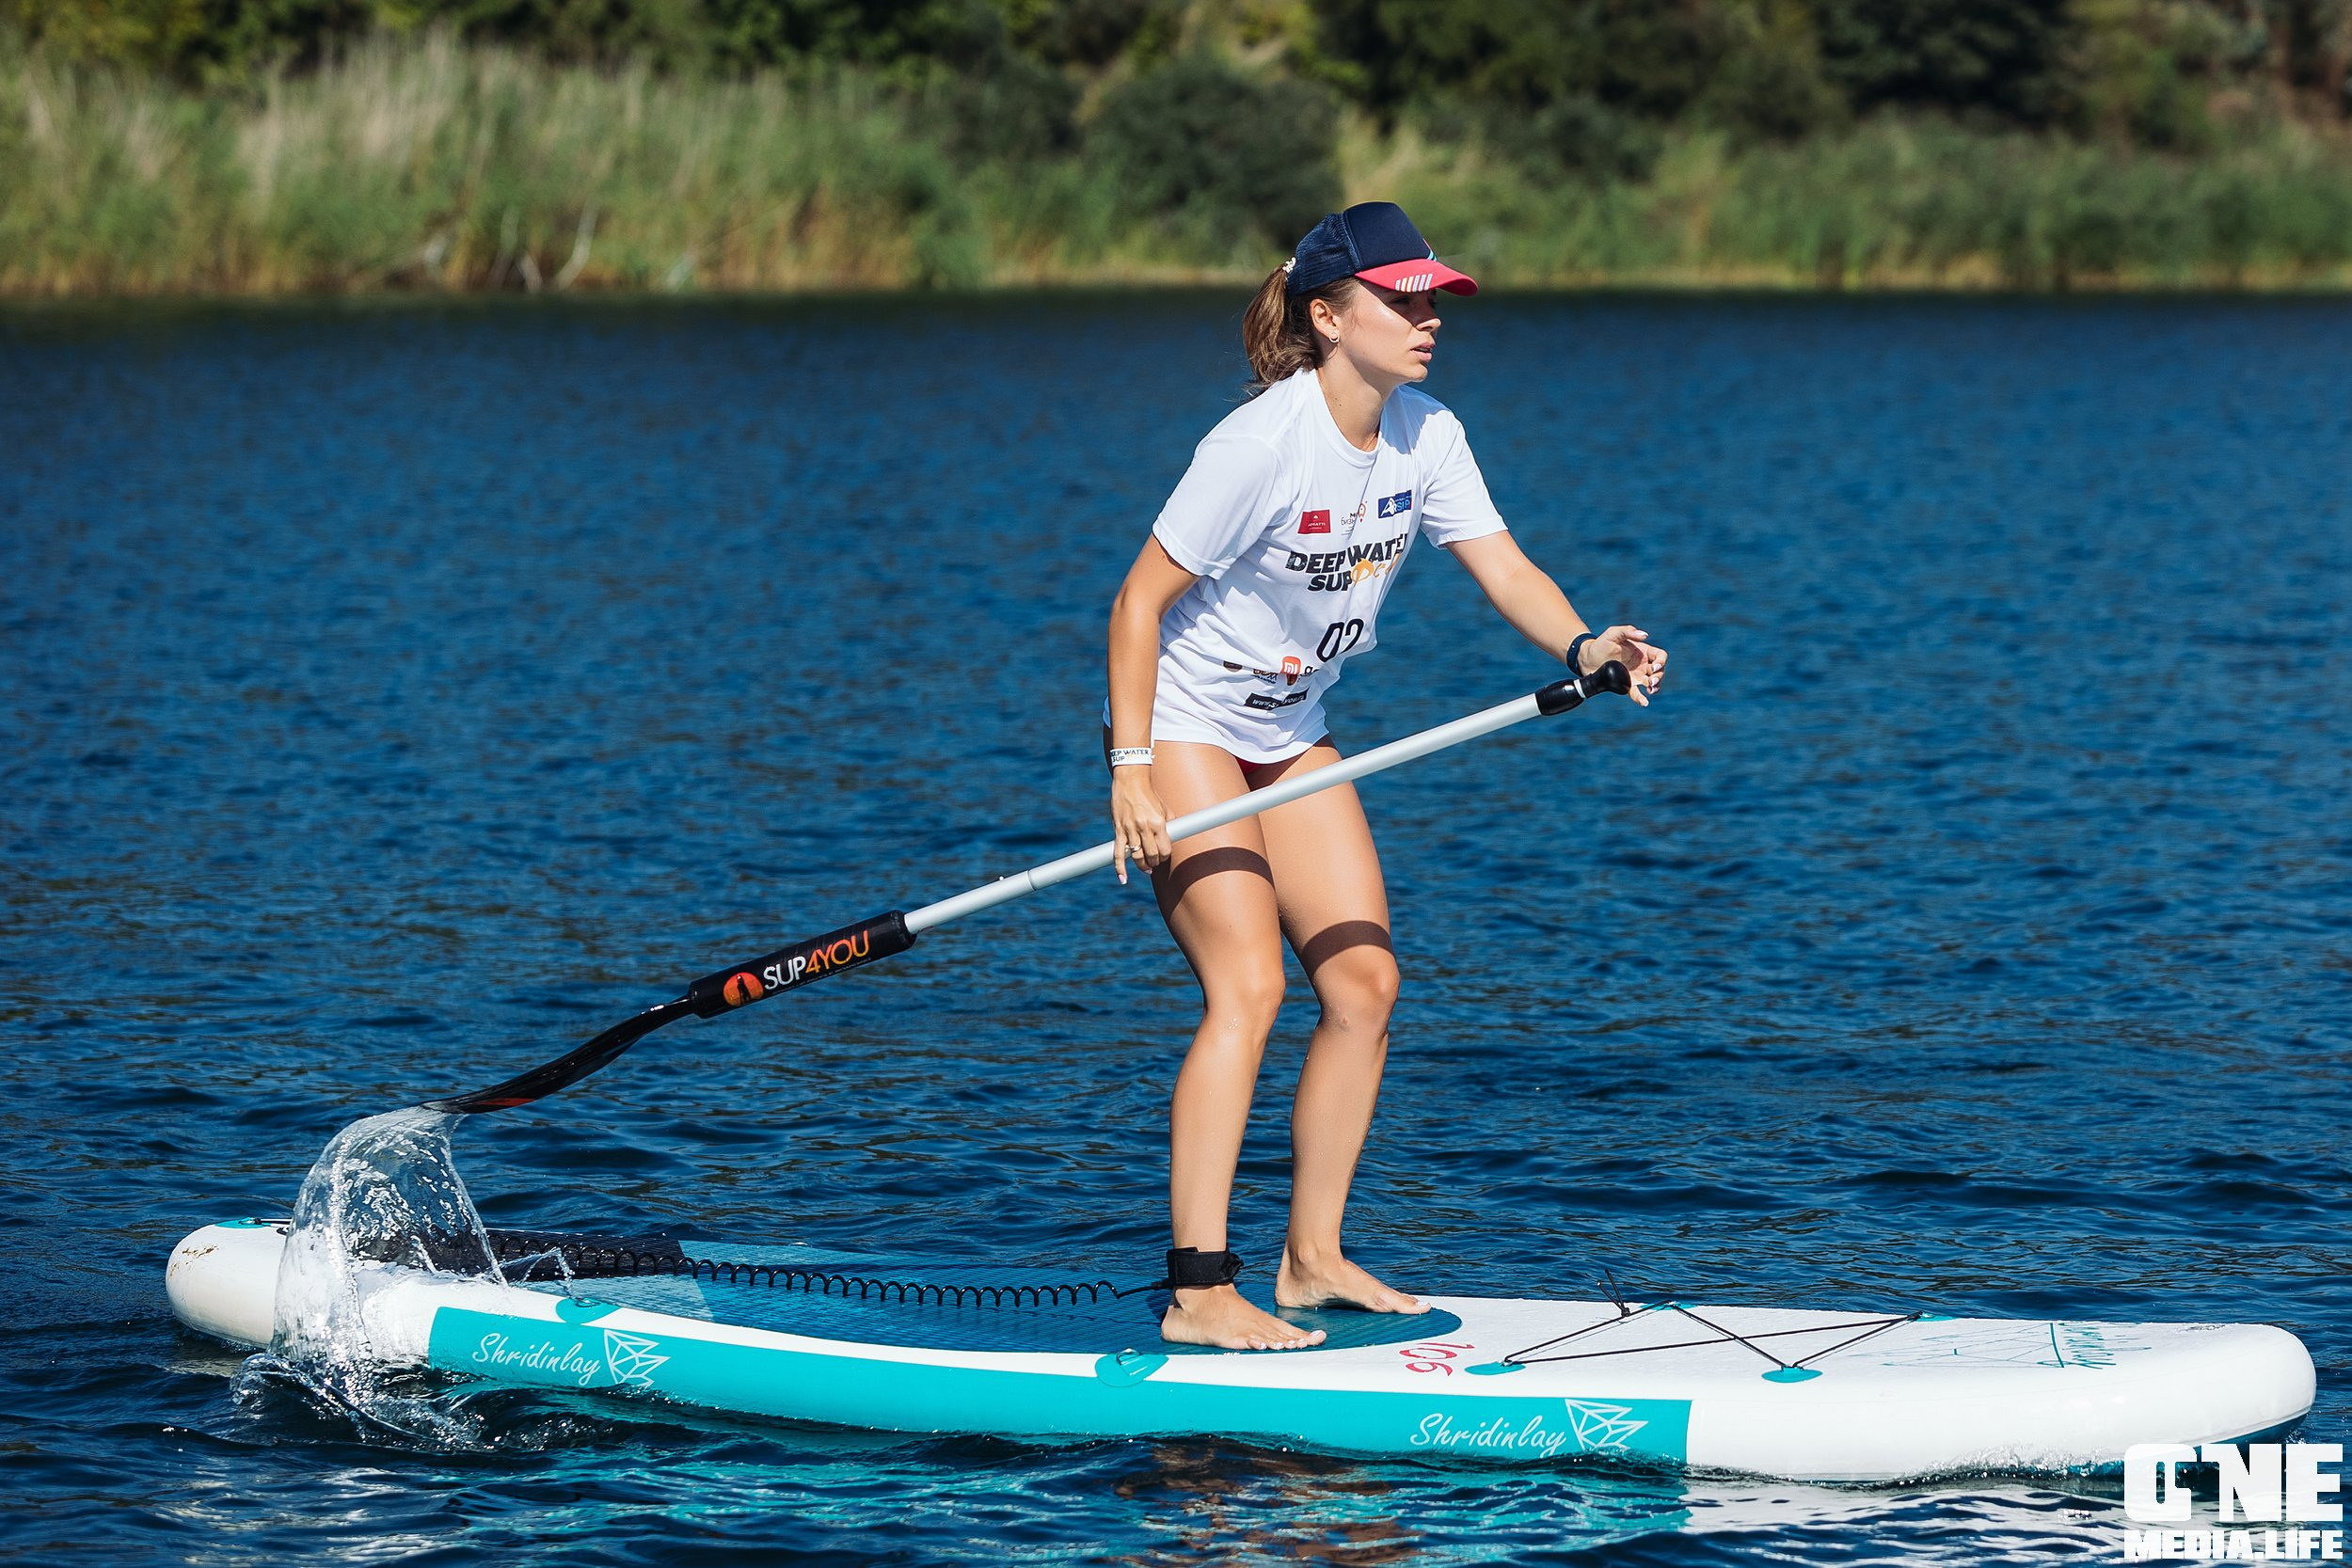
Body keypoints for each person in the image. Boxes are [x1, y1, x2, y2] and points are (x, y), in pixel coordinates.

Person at [1104, 201, 1668, 1352]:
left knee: (1364, 986)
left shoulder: (1428, 434)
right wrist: (1130, 771)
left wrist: (1581, 647)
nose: (1426, 319)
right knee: (1249, 987)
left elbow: (1499, 562)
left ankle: (1310, 1261)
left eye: (1432, 300)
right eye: (1400, 299)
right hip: (1190, 725)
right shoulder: (1259, 442)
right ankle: (1199, 1287)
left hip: (1293, 725)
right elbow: (1137, 603)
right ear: (1328, 315)